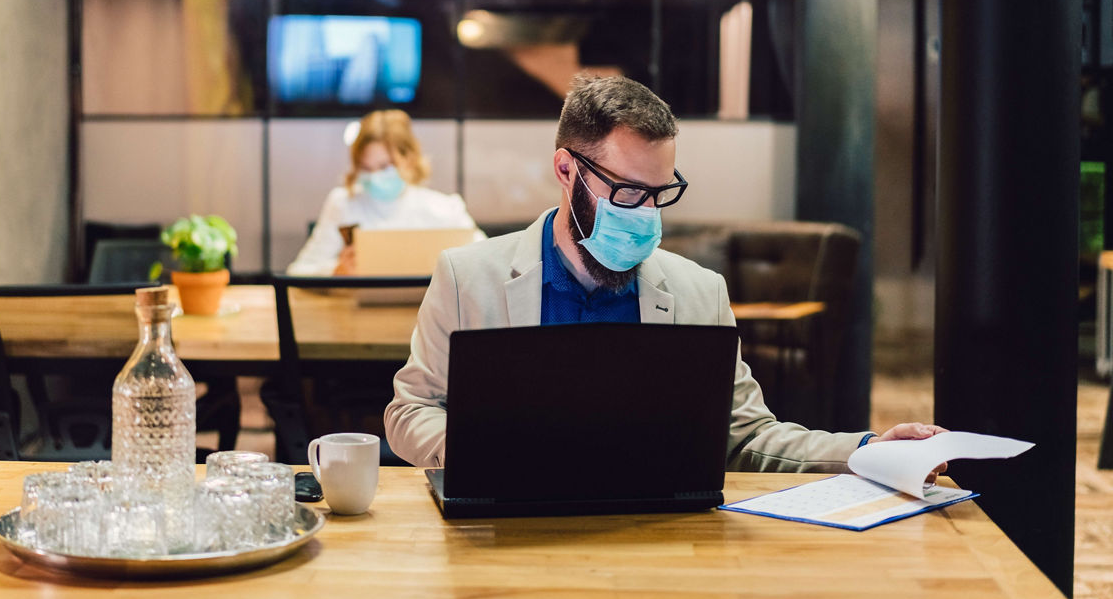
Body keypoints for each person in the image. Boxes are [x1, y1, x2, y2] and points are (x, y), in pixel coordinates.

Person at [385, 75, 948, 473]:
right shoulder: (467, 277)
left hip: (661, 539)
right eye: (629, 192)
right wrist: (487, 451)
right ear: (566, 169)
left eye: (661, 194)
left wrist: (872, 449)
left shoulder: (699, 293)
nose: (647, 215)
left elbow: (748, 435)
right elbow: (410, 410)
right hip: (504, 528)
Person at [286, 109, 482, 276]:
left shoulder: (444, 209)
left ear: (409, 159)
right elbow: (299, 271)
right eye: (366, 168)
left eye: (384, 166)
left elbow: (486, 261)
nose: (374, 177)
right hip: (356, 318)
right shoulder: (344, 204)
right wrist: (336, 271)